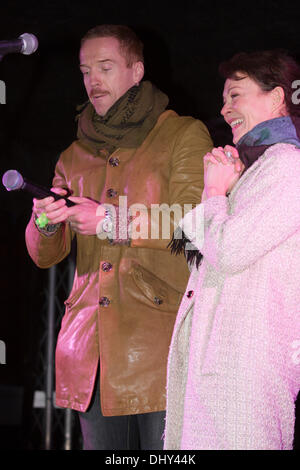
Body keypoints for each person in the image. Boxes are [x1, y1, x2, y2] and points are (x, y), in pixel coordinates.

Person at [25, 24, 213, 450]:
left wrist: (111, 220)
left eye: (105, 67)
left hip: (159, 346)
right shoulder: (73, 156)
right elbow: (44, 257)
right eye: (85, 70)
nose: (93, 80)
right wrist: (45, 222)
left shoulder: (182, 133)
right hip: (91, 353)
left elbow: (196, 224)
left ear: (136, 71)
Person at [164, 49, 300, 450]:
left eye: (235, 95)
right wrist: (226, 186)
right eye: (224, 99)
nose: (224, 109)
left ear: (276, 98)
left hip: (247, 370)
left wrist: (213, 190)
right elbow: (191, 248)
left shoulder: (289, 168)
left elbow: (228, 251)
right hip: (220, 366)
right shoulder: (259, 170)